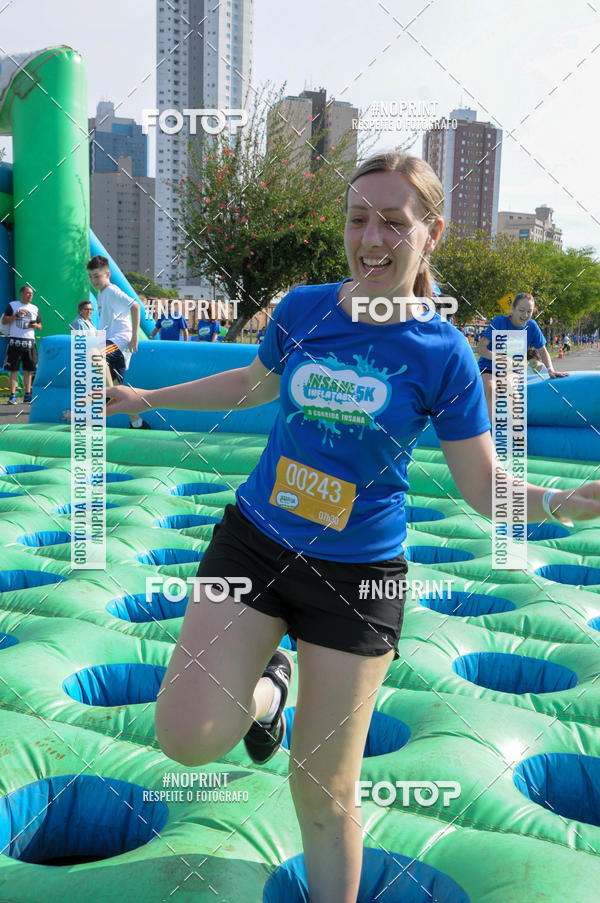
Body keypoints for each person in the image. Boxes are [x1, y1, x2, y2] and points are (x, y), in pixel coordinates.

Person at [101, 152, 600, 903]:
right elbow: (251, 383)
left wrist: (567, 498)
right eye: (358, 216)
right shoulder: (304, 309)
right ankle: (272, 689)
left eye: (393, 222)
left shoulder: (445, 355)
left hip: (357, 580)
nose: (372, 236)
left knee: (323, 787)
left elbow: (482, 485)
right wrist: (146, 394)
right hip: (256, 542)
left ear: (430, 234)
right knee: (188, 735)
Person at [474, 293, 567, 419]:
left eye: (529, 311)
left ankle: (516, 431)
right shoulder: (499, 321)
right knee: (491, 388)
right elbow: (480, 348)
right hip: (488, 367)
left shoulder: (532, 326)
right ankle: (490, 432)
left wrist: (551, 370)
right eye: (521, 310)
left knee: (511, 389)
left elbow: (543, 351)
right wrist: (499, 358)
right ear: (513, 309)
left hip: (511, 370)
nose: (525, 315)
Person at [86, 255, 150, 429]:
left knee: (94, 355)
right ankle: (137, 422)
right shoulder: (101, 295)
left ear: (107, 273)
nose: (94, 280)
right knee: (115, 383)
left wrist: (134, 337)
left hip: (121, 340)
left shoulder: (112, 291)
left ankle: (108, 397)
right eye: (91, 276)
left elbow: (135, 306)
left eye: (97, 276)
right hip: (110, 342)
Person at [2, 284, 42, 404]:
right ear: (22, 294)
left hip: (29, 342)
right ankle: (12, 396)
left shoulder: (35, 308)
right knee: (13, 370)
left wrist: (35, 325)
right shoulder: (13, 305)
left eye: (32, 294)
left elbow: (40, 326)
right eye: (28, 293)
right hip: (15, 341)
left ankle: (27, 395)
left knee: (28, 370)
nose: (31, 295)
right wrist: (16, 316)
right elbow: (4, 321)